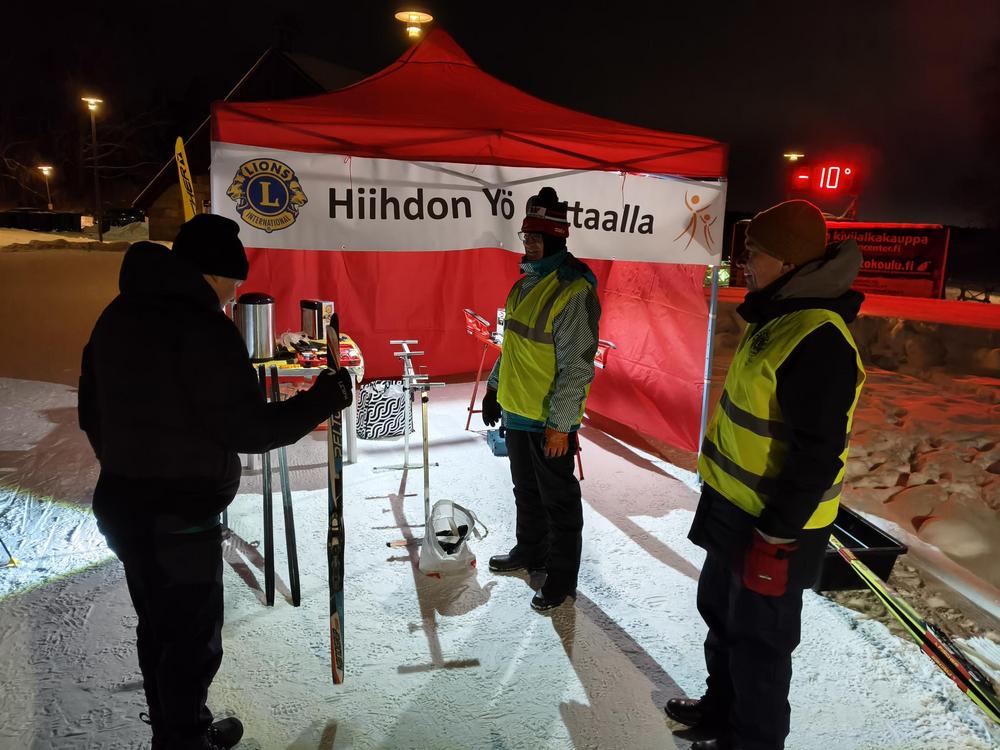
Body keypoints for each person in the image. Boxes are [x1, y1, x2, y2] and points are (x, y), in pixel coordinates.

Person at [78, 214, 353, 750]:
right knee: (190, 642)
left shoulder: (117, 314)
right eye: (233, 283)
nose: (233, 295)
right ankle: (185, 741)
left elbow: (91, 413)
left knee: (159, 629)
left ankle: (176, 731)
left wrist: (126, 462)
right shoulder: (203, 328)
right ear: (214, 273)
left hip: (125, 505)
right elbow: (249, 428)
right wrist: (323, 398)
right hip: (178, 515)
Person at [665, 200, 866, 750]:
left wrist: (777, 535)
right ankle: (721, 711)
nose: (744, 263)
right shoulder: (778, 317)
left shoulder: (818, 337)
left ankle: (752, 740)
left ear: (787, 261)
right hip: (734, 506)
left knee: (761, 643)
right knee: (722, 618)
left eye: (754, 253)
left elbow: (817, 454)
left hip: (774, 527)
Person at [482, 187, 601, 612]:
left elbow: (577, 367)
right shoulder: (524, 286)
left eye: (536, 237)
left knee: (559, 503)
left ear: (556, 239)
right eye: (526, 236)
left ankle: (561, 580)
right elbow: (512, 346)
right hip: (517, 412)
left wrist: (561, 426)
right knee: (526, 492)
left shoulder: (573, 290)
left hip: (548, 420)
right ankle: (529, 551)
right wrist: (494, 387)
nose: (529, 243)